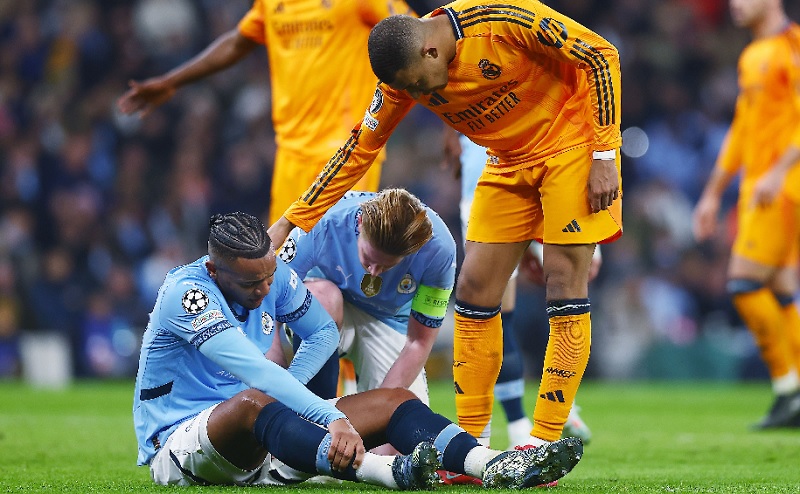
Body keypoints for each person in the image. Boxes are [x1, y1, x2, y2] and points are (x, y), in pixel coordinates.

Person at [269, 0, 622, 451]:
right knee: (474, 290)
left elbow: (600, 54)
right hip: (507, 160)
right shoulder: (404, 78)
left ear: (430, 52)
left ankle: (542, 441)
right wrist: (288, 222)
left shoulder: (502, 20)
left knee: (563, 281)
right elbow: (358, 149)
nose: (415, 95)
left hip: (571, 146)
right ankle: (474, 444)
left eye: (417, 84)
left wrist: (604, 153)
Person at [133, 211, 584, 487]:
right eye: (252, 283)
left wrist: (294, 392)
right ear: (215, 271)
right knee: (254, 399)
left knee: (394, 400)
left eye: (269, 276)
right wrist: (328, 415)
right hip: (184, 446)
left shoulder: (271, 277)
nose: (265, 290)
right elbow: (257, 372)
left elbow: (323, 334)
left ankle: (493, 465)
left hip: (269, 437)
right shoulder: (187, 295)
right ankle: (388, 474)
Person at [117, 0, 428, 224]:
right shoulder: (271, 3)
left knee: (336, 264)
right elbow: (237, 43)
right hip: (290, 156)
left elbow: (417, 35)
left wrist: (444, 112)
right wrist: (172, 81)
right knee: (283, 268)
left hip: (348, 149)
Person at [443, 130, 597, 450]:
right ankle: (535, 421)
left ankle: (529, 425)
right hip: (532, 169)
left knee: (502, 311)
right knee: (504, 309)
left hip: (522, 170)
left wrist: (451, 136)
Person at [692, 0, 800, 429]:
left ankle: (788, 387)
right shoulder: (752, 54)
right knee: (781, 290)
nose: (735, 3)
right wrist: (712, 193)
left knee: (744, 282)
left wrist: (780, 170)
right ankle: (793, 389)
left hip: (782, 187)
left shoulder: (792, 46)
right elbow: (741, 129)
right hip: (760, 186)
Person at [276, 189, 455, 406]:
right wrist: (274, 381)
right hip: (327, 306)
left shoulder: (439, 252)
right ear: (360, 223)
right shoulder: (323, 220)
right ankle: (314, 412)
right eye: (369, 259)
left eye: (387, 266)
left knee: (400, 419)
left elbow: (419, 341)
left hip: (390, 322)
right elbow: (271, 302)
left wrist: (380, 408)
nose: (374, 273)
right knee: (322, 297)